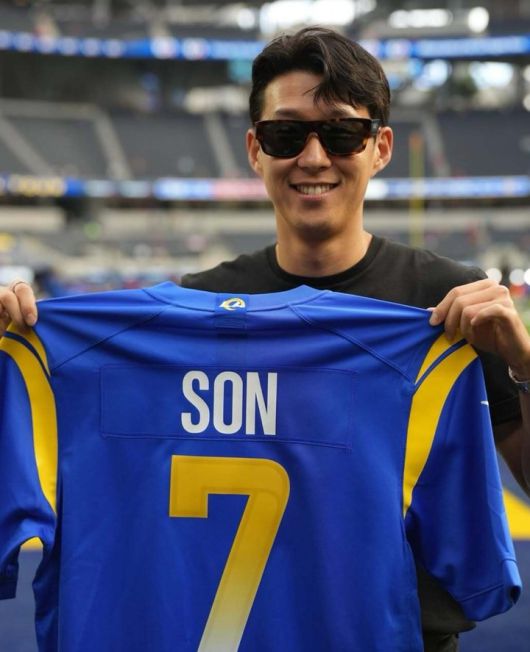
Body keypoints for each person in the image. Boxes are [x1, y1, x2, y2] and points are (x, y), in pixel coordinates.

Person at [1, 26, 529, 652]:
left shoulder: (445, 311)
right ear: (256, 150)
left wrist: (523, 363)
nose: (314, 157)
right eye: (286, 135)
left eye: (342, 133)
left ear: (380, 147)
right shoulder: (193, 311)